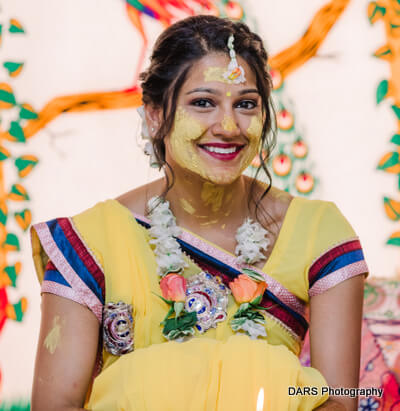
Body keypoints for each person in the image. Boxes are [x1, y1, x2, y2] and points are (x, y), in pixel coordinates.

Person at [30, 15, 368, 411]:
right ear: (155, 115)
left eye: (245, 104)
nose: (228, 126)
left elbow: (339, 401)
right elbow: (57, 405)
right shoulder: (90, 241)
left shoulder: (318, 232)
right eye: (203, 103)